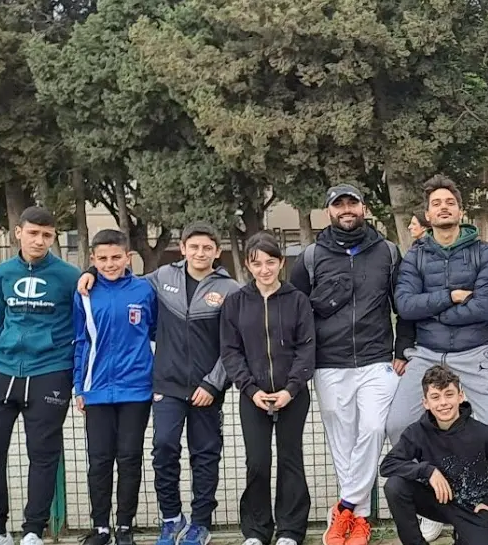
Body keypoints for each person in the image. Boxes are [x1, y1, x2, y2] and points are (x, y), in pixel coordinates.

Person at [78, 222, 240, 545]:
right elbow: (119, 277)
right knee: (164, 448)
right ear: (182, 249)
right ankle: (170, 517)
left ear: (216, 252)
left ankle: (200, 522)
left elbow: (233, 343)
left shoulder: (230, 290)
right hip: (167, 384)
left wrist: (213, 384)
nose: (199, 253)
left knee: (205, 455)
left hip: (207, 389)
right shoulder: (161, 278)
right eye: (193, 247)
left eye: (207, 248)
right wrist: (89, 272)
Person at [287, 184, 413, 545]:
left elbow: (401, 306)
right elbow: (296, 312)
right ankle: (356, 518)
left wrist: (402, 348)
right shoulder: (311, 257)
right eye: (338, 204)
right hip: (330, 363)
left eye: (352, 203)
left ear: (364, 207)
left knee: (373, 430)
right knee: (342, 443)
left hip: (377, 361)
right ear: (328, 211)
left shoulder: (387, 252)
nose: (346, 209)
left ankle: (344, 505)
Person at [389, 175, 488, 542]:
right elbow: (404, 305)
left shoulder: (485, 252)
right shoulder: (415, 255)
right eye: (436, 203)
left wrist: (432, 308)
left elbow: (485, 308)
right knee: (395, 425)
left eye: (449, 202)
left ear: (461, 210)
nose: (443, 207)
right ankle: (433, 499)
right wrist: (451, 297)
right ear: (427, 214)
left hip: (474, 353)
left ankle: (469, 502)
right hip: (426, 353)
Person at [0, 206, 81, 545]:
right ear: (18, 232)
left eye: (46, 235)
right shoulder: (0, 274)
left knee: (43, 452)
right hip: (3, 370)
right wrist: (3, 352)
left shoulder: (69, 276)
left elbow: (80, 326)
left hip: (50, 372)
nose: (39, 240)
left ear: (53, 238)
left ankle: (33, 530)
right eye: (33, 233)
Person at [220, 233, 316, 545]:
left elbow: (306, 348)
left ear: (280, 263)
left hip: (293, 395)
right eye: (257, 263)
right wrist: (250, 389)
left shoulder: (297, 300)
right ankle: (257, 530)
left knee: (291, 459)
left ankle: (290, 530)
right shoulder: (235, 302)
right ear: (248, 265)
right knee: (257, 461)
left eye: (270, 262)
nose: (265, 269)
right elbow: (230, 351)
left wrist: (291, 389)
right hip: (253, 396)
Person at [72, 229, 157, 545]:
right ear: (93, 259)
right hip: (96, 390)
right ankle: (101, 527)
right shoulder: (84, 292)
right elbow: (80, 340)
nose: (109, 264)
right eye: (102, 259)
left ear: (128, 258)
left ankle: (124, 526)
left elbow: (156, 332)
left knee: (130, 457)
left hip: (136, 389)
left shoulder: (145, 291)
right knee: (99, 459)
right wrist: (79, 386)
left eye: (116, 257)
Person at [380, 365, 488, 545]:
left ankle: (462, 536)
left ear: (461, 396)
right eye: (435, 397)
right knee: (395, 486)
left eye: (449, 394)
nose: (443, 402)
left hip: (472, 509)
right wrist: (427, 471)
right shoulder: (417, 432)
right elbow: (388, 465)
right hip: (436, 500)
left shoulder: (485, 434)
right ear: (426, 403)